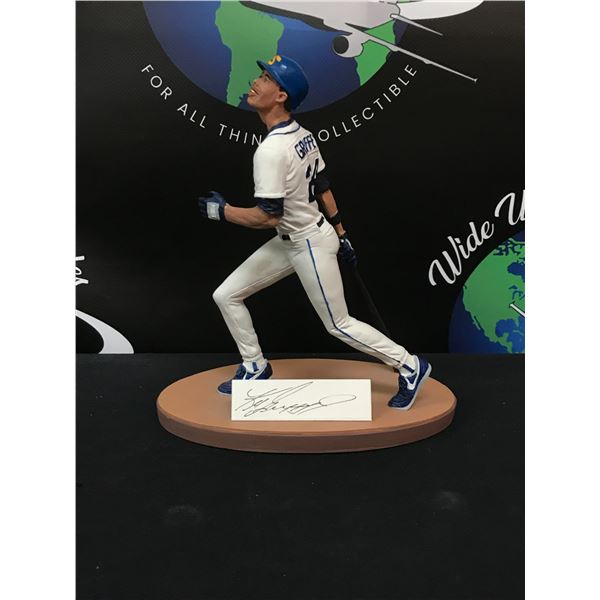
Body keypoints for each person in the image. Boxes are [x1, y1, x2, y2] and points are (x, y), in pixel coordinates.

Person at [197, 55, 430, 409]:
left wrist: (222, 211)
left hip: (307, 243)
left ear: (281, 96)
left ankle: (410, 365)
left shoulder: (271, 150)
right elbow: (322, 186)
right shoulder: (301, 134)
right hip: (299, 238)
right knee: (226, 295)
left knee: (338, 324)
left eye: (266, 78)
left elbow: (267, 218)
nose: (256, 82)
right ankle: (255, 365)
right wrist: (341, 232)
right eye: (261, 75)